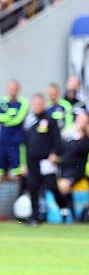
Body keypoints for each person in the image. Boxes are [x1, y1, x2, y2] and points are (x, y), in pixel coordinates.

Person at [24, 93, 68, 224]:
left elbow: (57, 139)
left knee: (52, 186)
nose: (37, 106)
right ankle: (35, 217)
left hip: (46, 160)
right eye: (35, 103)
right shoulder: (29, 120)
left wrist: (54, 153)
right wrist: (24, 162)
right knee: (33, 188)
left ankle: (63, 209)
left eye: (40, 103)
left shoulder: (50, 119)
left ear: (43, 104)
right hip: (32, 161)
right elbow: (25, 142)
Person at [0, 79, 28, 179]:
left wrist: (5, 118)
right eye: (10, 89)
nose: (12, 91)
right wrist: (10, 117)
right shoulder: (2, 102)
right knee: (2, 172)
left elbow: (18, 119)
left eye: (15, 89)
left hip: (17, 143)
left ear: (18, 90)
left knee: (18, 172)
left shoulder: (23, 102)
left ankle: (20, 193)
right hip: (3, 141)